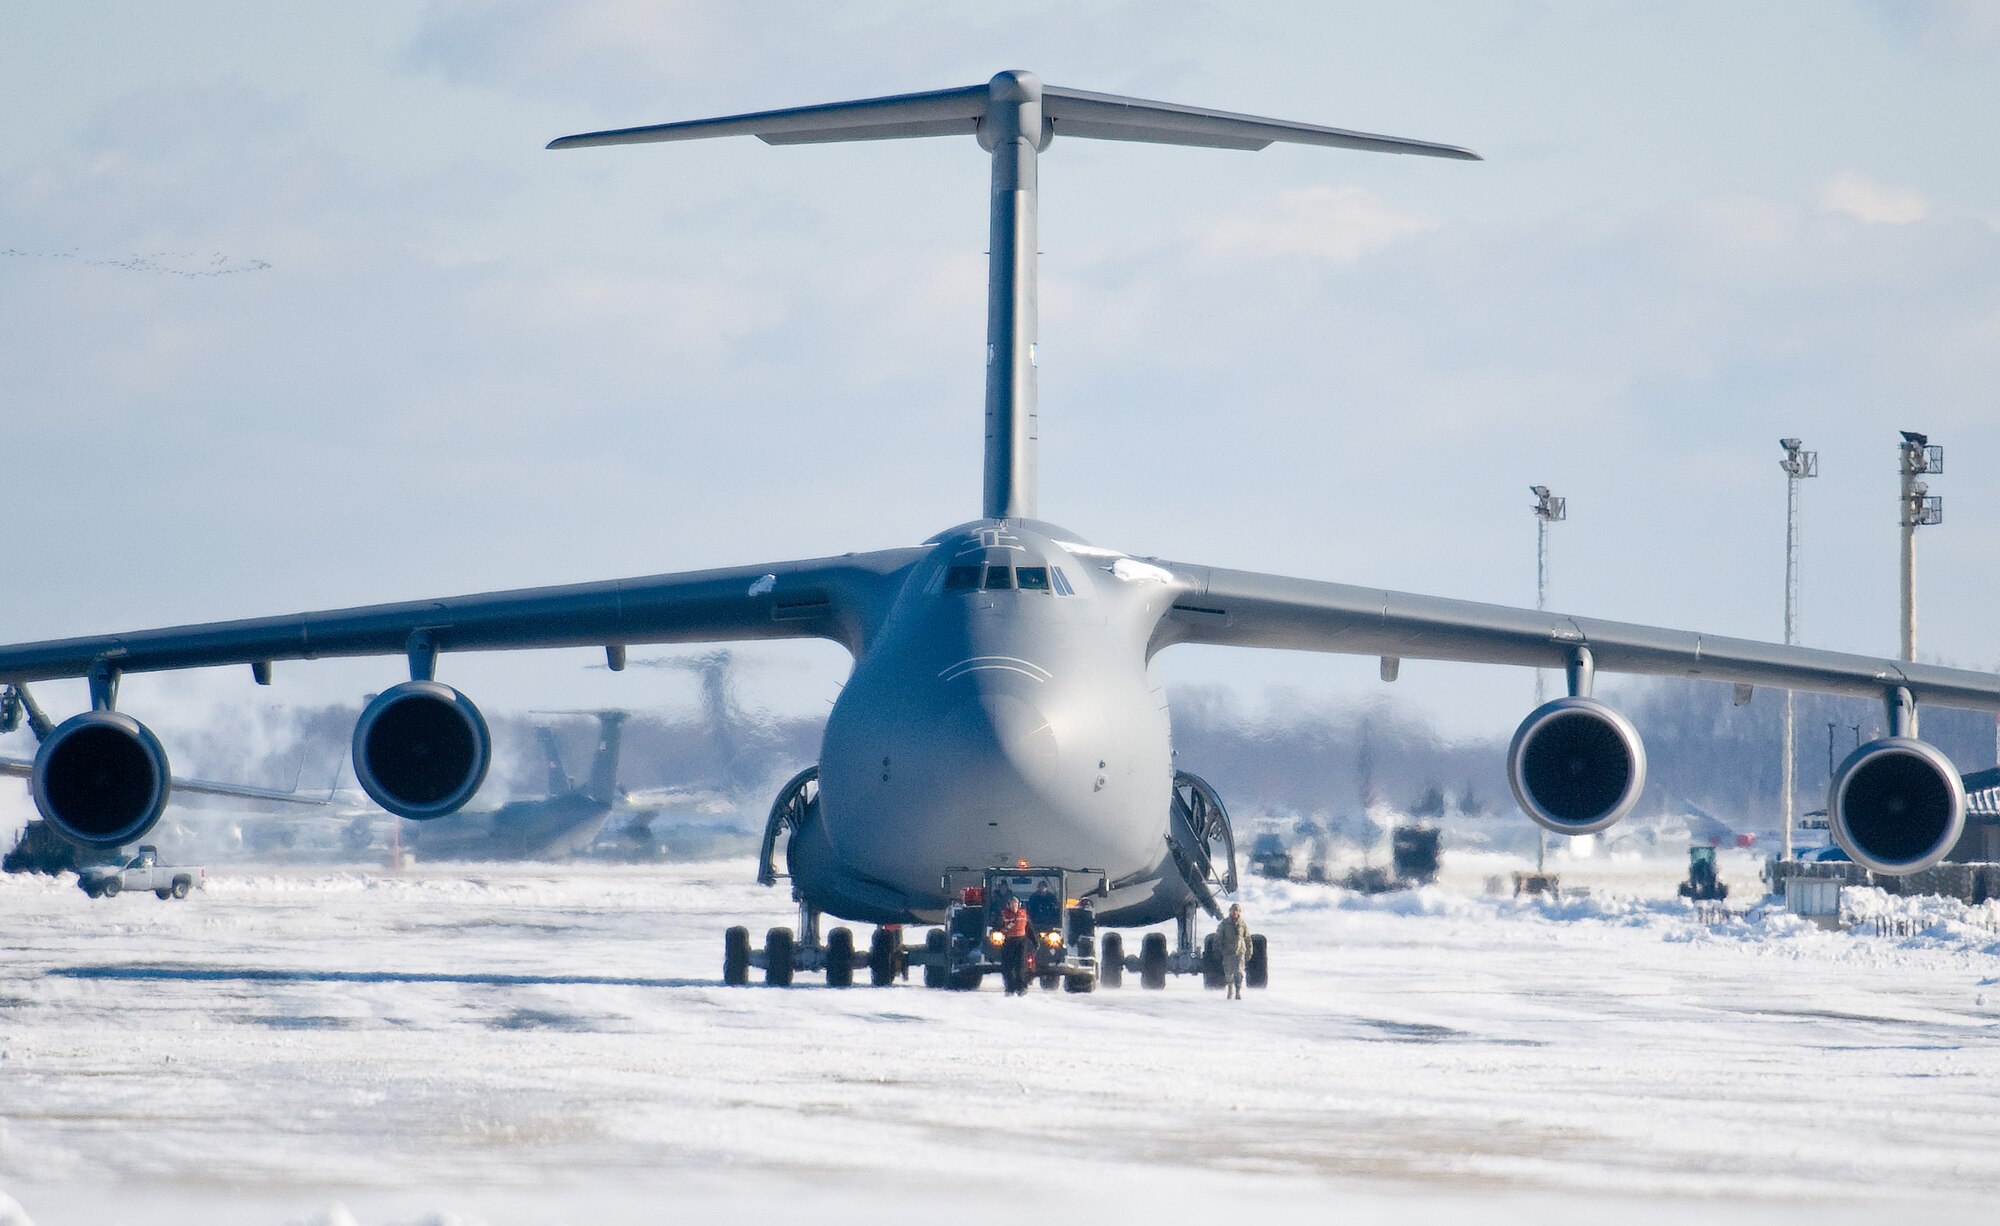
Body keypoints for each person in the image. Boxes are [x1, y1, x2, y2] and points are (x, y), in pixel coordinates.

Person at [996, 895, 1033, 996]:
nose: (1014, 906)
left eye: (1015, 904)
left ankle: (1021, 988)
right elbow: (997, 926)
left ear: (1019, 905)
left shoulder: (1024, 914)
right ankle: (1009, 988)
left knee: (1020, 965)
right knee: (1008, 966)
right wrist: (1002, 930)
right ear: (1009, 905)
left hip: (1021, 941)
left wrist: (1034, 941)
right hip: (1009, 942)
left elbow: (1029, 928)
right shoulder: (1004, 915)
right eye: (1012, 904)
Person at [1215, 903, 1252, 1000]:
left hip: (1239, 952)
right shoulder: (1224, 923)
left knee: (1239, 973)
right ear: (1230, 911)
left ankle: (1238, 991)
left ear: (1239, 912)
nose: (1234, 912)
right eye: (1233, 910)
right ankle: (1230, 988)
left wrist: (1249, 951)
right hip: (1228, 953)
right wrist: (1218, 949)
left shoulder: (1242, 924)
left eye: (1236, 910)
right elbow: (1218, 937)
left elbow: (1247, 938)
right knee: (1229, 973)